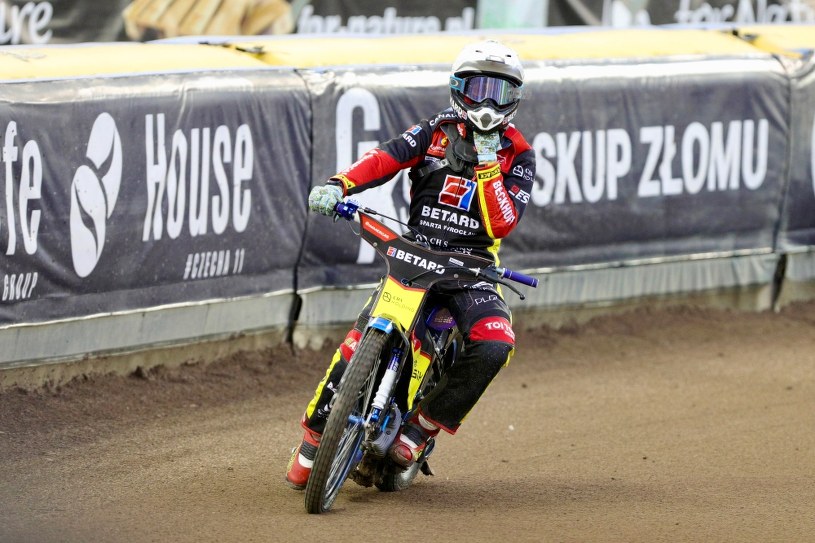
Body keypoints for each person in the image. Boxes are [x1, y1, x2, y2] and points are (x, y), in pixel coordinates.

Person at [286, 39, 536, 489]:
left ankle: (420, 429)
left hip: (472, 266)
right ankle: (312, 440)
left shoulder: (518, 153)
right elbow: (385, 157)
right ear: (458, 89)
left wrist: (486, 162)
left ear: (514, 98)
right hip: (416, 251)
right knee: (360, 337)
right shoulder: (434, 130)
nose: (487, 102)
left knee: (496, 343)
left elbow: (502, 223)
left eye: (499, 92)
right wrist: (340, 185)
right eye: (478, 88)